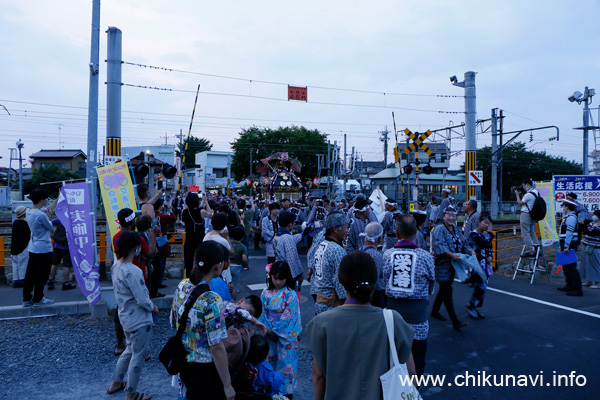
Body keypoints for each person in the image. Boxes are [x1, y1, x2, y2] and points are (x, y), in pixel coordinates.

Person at [306, 251, 416, 400]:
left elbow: (318, 375)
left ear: (341, 280)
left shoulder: (322, 323)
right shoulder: (393, 320)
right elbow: (411, 374)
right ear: (374, 279)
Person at [170, 240, 235, 400]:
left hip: (183, 361)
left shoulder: (182, 286)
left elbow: (173, 322)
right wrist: (227, 385)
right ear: (218, 266)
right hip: (204, 367)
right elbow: (216, 347)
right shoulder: (212, 299)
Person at [106, 231, 158, 400]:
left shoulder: (116, 266)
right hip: (139, 319)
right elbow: (142, 299)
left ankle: (116, 382)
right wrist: (153, 307)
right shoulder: (133, 270)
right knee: (138, 355)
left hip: (125, 317)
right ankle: (131, 392)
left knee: (129, 350)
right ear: (136, 248)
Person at [383, 214, 435, 378]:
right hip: (417, 320)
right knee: (418, 362)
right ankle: (413, 392)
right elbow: (431, 284)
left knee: (393, 360)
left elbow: (384, 280)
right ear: (415, 232)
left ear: (397, 233)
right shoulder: (425, 256)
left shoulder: (387, 255)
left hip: (393, 319)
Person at [259, 261, 302, 398]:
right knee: (268, 363)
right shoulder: (265, 292)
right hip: (268, 333)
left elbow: (291, 317)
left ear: (287, 278)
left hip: (284, 336)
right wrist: (267, 330)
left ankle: (285, 393)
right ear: (270, 276)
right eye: (274, 278)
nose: (277, 282)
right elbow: (261, 313)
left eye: (281, 278)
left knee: (286, 366)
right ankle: (269, 390)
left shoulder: (291, 294)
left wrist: (274, 331)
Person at [430, 205, 474, 330]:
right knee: (447, 290)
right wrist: (451, 255)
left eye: (453, 216)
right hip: (442, 264)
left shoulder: (455, 230)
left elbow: (464, 243)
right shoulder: (439, 229)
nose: (451, 218)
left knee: (444, 288)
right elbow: (439, 246)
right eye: (448, 215)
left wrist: (471, 252)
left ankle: (434, 310)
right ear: (443, 216)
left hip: (453, 265)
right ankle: (455, 321)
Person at [309, 212, 350, 315]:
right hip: (332, 304)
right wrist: (348, 301)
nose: (347, 231)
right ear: (335, 229)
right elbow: (339, 280)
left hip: (320, 301)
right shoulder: (336, 250)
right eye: (345, 227)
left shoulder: (322, 245)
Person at [22, 188, 57, 307]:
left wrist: (56, 201)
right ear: (42, 200)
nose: (48, 200)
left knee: (30, 273)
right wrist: (49, 216)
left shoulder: (28, 212)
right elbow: (50, 227)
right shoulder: (41, 215)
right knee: (42, 274)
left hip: (33, 247)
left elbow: (47, 208)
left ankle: (27, 298)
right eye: (47, 198)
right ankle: (38, 298)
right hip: (43, 248)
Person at [466, 213, 495, 319]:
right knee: (481, 287)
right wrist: (491, 233)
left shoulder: (486, 235)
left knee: (482, 287)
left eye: (489, 224)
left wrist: (490, 256)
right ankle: (472, 305)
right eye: (485, 223)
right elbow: (485, 243)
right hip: (476, 264)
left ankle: (474, 306)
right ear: (479, 222)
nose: (487, 226)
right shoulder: (473, 234)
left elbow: (490, 247)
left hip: (485, 264)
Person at [150, 198, 176, 298]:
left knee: (154, 263)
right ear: (160, 206)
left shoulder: (151, 216)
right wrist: (170, 209)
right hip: (162, 241)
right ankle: (158, 282)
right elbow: (173, 219)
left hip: (152, 241)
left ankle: (155, 282)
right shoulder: (163, 216)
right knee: (161, 263)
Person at [557, 199, 583, 296]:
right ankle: (569, 285)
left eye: (563, 205)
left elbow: (569, 233)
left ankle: (577, 288)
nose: (562, 207)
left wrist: (566, 246)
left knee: (571, 267)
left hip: (570, 243)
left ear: (567, 207)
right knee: (566, 265)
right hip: (567, 243)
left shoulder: (571, 218)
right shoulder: (568, 217)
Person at [273, 211, 305, 287]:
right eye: (293, 223)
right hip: (287, 271)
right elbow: (292, 258)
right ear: (290, 224)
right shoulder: (287, 237)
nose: (294, 225)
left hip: (278, 268)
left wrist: (302, 234)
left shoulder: (277, 235)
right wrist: (299, 275)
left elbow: (292, 239)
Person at [359, 222, 387, 308]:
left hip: (361, 293)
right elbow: (375, 279)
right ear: (379, 238)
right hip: (376, 296)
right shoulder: (376, 255)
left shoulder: (359, 250)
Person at [47, 218, 76, 291]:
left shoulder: (60, 217)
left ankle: (50, 281)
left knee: (54, 264)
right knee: (66, 265)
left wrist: (52, 234)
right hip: (67, 246)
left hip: (57, 245)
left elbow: (49, 223)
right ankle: (65, 283)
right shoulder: (74, 218)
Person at [514, 178, 540, 258]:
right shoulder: (536, 192)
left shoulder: (528, 195)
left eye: (523, 186)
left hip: (525, 214)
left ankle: (529, 251)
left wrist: (517, 194)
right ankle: (538, 250)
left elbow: (520, 203)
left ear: (527, 184)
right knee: (532, 233)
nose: (523, 187)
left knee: (525, 233)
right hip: (532, 215)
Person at [182, 193, 206, 278]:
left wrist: (187, 204)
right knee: (201, 260)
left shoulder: (184, 212)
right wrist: (205, 200)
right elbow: (211, 213)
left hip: (189, 239)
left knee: (188, 261)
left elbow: (185, 209)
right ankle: (201, 277)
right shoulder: (201, 211)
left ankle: (188, 279)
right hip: (200, 239)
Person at [10, 206, 30, 289]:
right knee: (23, 265)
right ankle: (22, 281)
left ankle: (16, 281)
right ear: (24, 214)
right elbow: (28, 235)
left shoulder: (15, 222)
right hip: (23, 248)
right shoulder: (24, 223)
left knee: (15, 265)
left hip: (14, 249)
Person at [580, 210, 600, 288]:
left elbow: (590, 232)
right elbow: (586, 231)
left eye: (595, 215)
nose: (593, 216)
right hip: (587, 245)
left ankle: (597, 283)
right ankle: (589, 281)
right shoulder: (592, 223)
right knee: (586, 265)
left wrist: (582, 225)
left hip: (595, 247)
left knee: (595, 265)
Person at [229, 225, 248, 298]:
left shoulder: (229, 243)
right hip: (237, 266)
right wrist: (247, 265)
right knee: (235, 286)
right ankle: (233, 301)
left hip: (228, 265)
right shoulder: (242, 246)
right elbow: (244, 258)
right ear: (243, 236)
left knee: (227, 283)